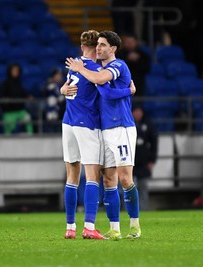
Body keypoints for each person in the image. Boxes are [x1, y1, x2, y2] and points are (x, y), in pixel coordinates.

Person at [66, 31, 141, 239]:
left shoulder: (118, 66)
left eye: (103, 45)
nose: (98, 48)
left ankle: (135, 225)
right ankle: (114, 228)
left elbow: (105, 89)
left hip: (121, 127)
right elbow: (91, 90)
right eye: (97, 44)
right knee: (109, 179)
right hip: (104, 129)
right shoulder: (98, 69)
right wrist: (65, 89)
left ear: (113, 49)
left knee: (125, 178)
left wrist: (81, 68)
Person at [132, 106, 158, 210]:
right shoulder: (128, 123)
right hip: (131, 162)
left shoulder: (148, 123)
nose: (137, 114)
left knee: (143, 187)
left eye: (139, 111)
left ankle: (144, 209)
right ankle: (128, 210)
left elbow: (154, 142)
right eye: (135, 112)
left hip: (143, 162)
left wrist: (152, 160)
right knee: (129, 187)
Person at [0, 63, 34, 135]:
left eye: (17, 70)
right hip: (9, 112)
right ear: (10, 71)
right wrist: (5, 100)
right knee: (9, 126)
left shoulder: (19, 83)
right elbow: (1, 97)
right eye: (14, 70)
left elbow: (23, 94)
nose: (16, 72)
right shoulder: (4, 83)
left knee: (27, 118)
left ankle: (30, 137)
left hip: (20, 111)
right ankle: (7, 140)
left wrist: (28, 97)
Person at [43, 68, 65, 133]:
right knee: (50, 125)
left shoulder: (62, 85)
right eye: (58, 75)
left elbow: (61, 98)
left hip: (60, 109)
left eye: (60, 75)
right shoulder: (49, 85)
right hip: (50, 109)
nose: (60, 77)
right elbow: (45, 94)